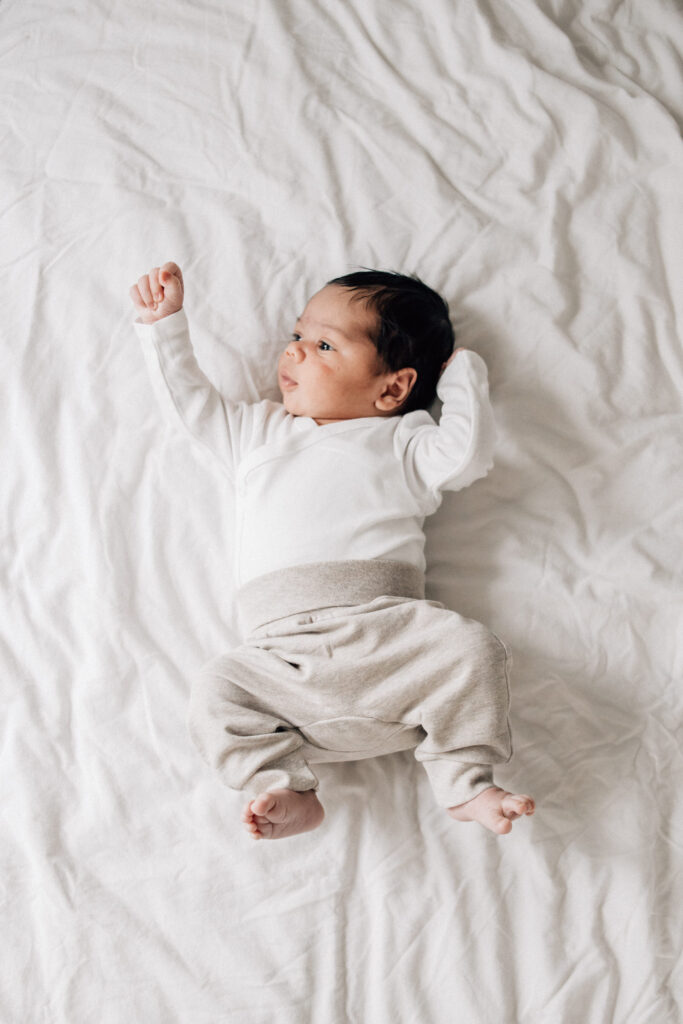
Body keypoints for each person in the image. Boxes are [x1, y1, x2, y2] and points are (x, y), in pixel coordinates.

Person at [130, 261, 535, 840]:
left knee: (472, 648)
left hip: (390, 642)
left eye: (323, 345)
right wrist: (163, 326)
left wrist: (462, 376)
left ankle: (465, 782)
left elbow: (467, 456)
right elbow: (189, 404)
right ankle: (285, 786)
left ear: (392, 388)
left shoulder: (403, 442)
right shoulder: (257, 432)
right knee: (216, 689)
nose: (293, 351)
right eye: (297, 334)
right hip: (284, 662)